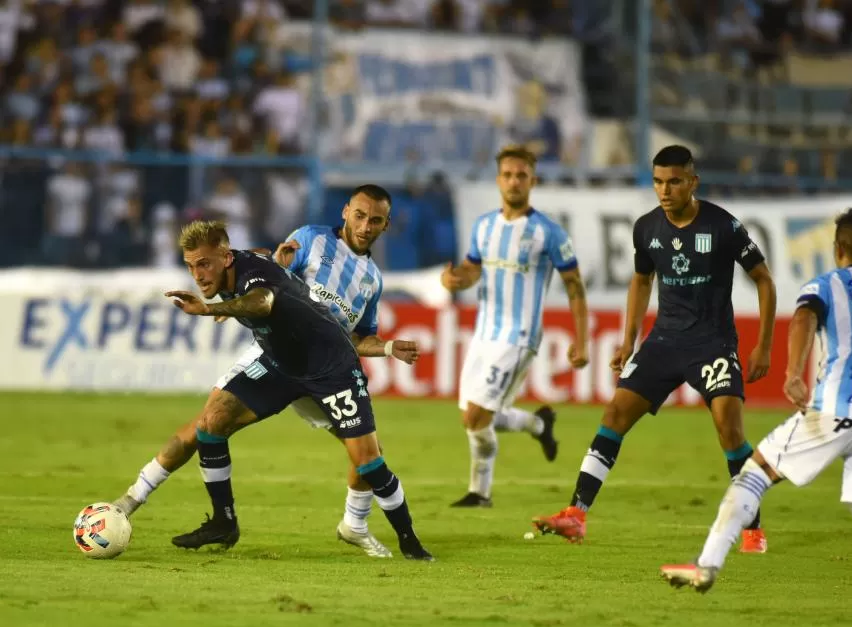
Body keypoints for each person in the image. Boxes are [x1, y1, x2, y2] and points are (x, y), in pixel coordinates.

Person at [113, 186, 423, 558]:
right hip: (278, 357)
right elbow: (271, 265)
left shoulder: (372, 279)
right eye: (360, 215)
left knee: (370, 461)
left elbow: (281, 304)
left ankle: (362, 528)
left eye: (375, 220)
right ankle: (141, 503)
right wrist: (267, 268)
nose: (365, 225)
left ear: (385, 225)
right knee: (210, 423)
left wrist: (387, 347)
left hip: (330, 366)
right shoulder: (311, 238)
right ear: (345, 212)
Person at [660, 207, 852, 623]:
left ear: (838, 249)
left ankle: (707, 563)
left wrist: (792, 372)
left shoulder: (829, 283)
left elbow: (804, 316)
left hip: (837, 410)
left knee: (756, 471)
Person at [532, 145, 777, 552]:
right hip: (664, 341)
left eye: (675, 181)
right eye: (659, 182)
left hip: (712, 343)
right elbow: (642, 279)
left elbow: (764, 280)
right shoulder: (646, 228)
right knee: (614, 414)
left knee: (729, 430)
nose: (665, 190)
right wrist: (628, 339)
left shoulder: (723, 226)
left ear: (692, 182)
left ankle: (752, 527)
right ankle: (575, 515)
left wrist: (763, 346)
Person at [440, 144, 590, 508]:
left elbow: (574, 285)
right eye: (507, 175)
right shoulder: (484, 226)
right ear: (498, 180)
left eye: (521, 175)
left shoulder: (549, 232)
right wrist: (456, 280)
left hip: (519, 336)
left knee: (477, 416)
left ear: (532, 180)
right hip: (484, 333)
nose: (514, 181)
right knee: (471, 417)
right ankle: (537, 426)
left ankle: (480, 492)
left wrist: (582, 341)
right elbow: (473, 268)